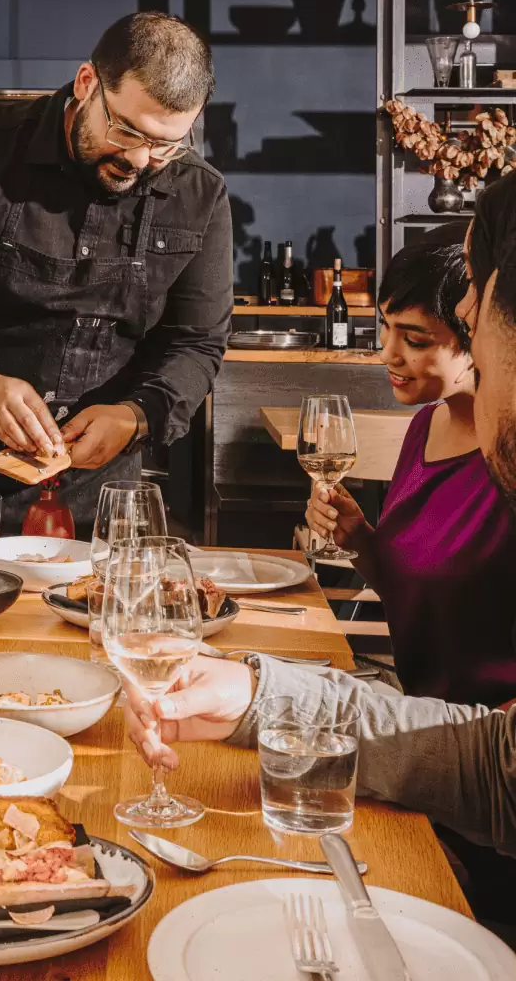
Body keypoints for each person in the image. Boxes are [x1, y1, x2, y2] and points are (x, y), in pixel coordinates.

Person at [122, 171, 516, 863]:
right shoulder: (428, 432)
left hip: (464, 835)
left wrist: (262, 694)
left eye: (471, 311)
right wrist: (255, 691)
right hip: (439, 768)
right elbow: (499, 766)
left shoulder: (498, 467)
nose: (391, 355)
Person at [0, 12, 232, 533]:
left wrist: (136, 416)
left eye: (167, 146)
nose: (141, 160)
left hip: (98, 496)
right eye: (126, 131)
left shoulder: (200, 194)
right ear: (87, 84)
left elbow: (196, 344)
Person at [305, 227, 516, 707]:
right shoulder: (424, 426)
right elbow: (418, 593)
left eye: (414, 338)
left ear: (479, 333)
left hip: (490, 744)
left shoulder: (508, 458)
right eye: (386, 325)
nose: (387, 353)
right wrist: (360, 540)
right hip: (421, 713)